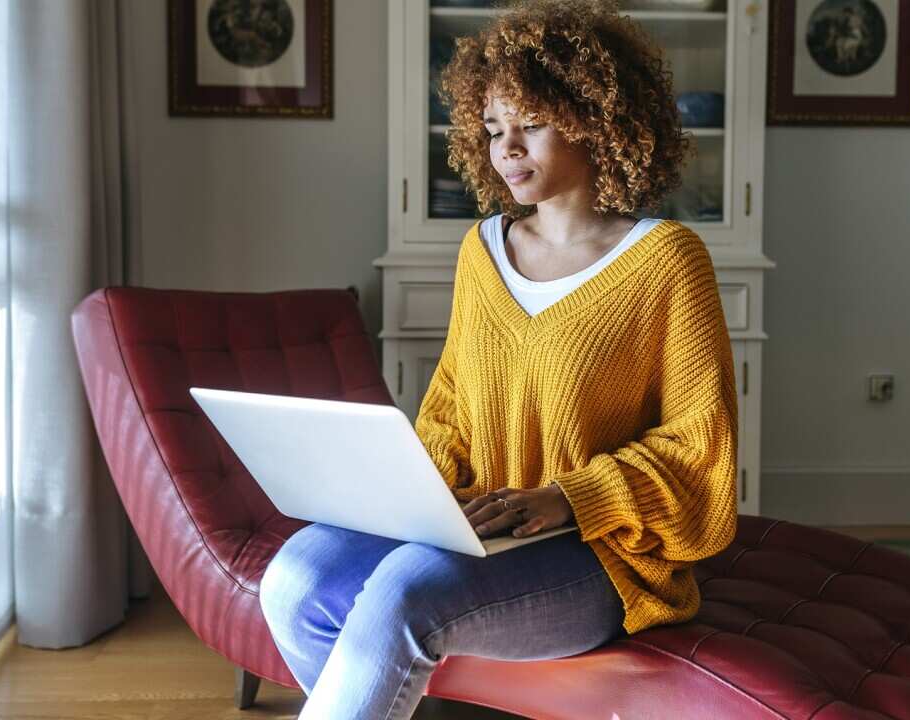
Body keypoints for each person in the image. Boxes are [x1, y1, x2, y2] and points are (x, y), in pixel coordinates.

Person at [259, 0, 739, 717]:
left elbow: (701, 450)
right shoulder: (481, 252)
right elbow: (450, 405)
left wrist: (569, 498)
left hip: (599, 555)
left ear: (596, 119)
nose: (506, 149)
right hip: (473, 530)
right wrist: (420, 490)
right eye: (492, 130)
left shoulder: (667, 262)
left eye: (532, 124)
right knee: (294, 579)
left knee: (406, 589)